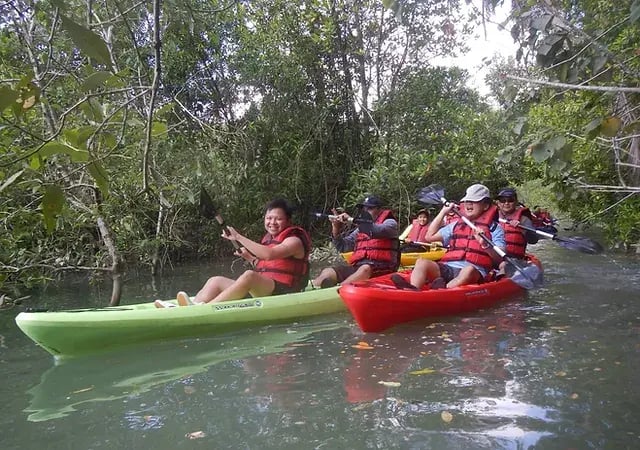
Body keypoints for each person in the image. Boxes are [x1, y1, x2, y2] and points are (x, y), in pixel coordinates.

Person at [155, 198, 311, 307]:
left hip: (286, 292)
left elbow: (269, 255)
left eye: (278, 219)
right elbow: (267, 265)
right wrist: (249, 258)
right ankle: (194, 305)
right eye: (269, 218)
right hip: (267, 287)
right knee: (215, 280)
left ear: (288, 221)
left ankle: (205, 309)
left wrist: (238, 237)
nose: (272, 223)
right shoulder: (269, 238)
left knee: (249, 276)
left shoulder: (294, 241)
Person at [391, 184, 505, 290]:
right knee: (422, 262)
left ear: (485, 205)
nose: (468, 204)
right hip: (449, 267)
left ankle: (442, 292)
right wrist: (443, 212)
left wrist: (485, 244)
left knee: (468, 270)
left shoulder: (494, 228)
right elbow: (429, 236)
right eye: (467, 201)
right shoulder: (456, 225)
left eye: (474, 201)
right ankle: (412, 289)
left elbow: (500, 258)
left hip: (474, 271)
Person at [312, 195, 399, 288]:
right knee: (328, 271)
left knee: (365, 269)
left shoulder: (390, 223)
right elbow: (343, 247)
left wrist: (354, 221)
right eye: (364, 208)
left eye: (369, 208)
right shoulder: (359, 230)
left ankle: (338, 290)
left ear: (379, 210)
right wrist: (336, 228)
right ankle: (313, 290)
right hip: (359, 267)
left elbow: (376, 230)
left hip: (382, 268)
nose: (365, 211)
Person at [495, 187, 539, 276]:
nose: (506, 203)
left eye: (510, 200)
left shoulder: (523, 220)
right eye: (503, 200)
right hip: (494, 257)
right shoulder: (492, 217)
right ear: (498, 203)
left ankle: (501, 279)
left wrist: (522, 229)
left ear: (515, 202)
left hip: (515, 259)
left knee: (504, 265)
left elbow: (534, 240)